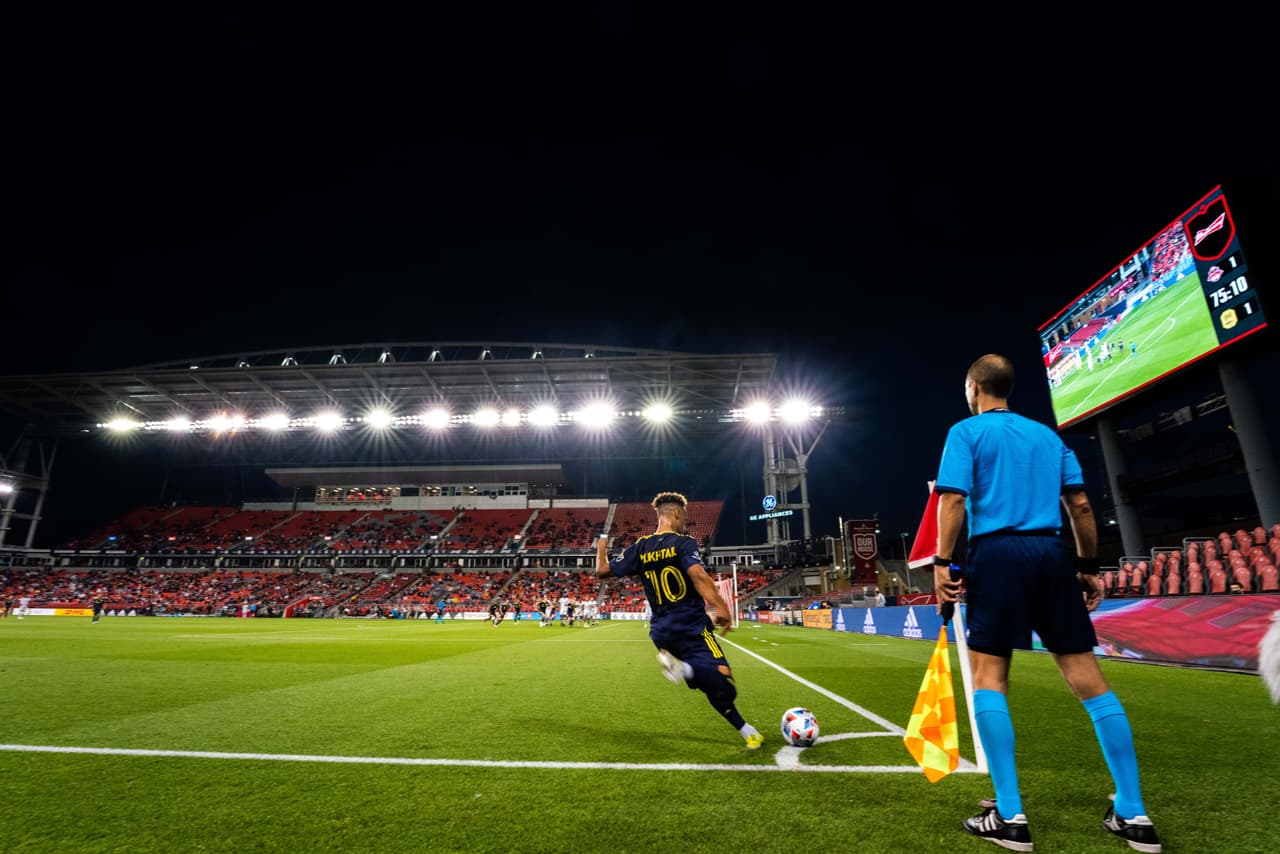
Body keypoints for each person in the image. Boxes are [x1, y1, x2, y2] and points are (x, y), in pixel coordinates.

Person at [933, 354, 1159, 852]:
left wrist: (943, 562)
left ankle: (1011, 816)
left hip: (996, 553)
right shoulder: (1048, 437)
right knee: (1087, 677)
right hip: (1052, 553)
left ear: (973, 387)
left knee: (991, 677)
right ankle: (1133, 812)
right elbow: (1078, 505)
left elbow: (951, 501)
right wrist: (1086, 567)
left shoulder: (966, 433)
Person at [596, 492, 763, 750]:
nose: (685, 521)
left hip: (662, 633)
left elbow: (602, 571)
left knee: (709, 686)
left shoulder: (639, 548)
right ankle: (683, 669)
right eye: (684, 516)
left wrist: (602, 548)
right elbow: (697, 576)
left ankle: (747, 731)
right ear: (675, 514)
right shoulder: (683, 543)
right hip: (693, 628)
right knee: (725, 685)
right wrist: (721, 606)